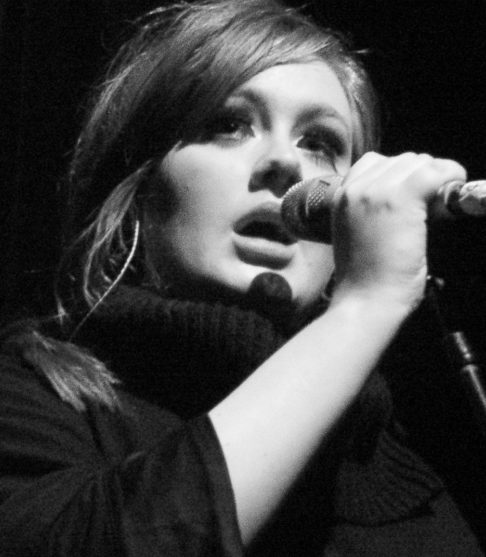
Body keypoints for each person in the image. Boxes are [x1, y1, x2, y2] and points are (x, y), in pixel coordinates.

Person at [0, 0, 484, 555]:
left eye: (320, 143)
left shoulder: (408, 446)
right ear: (138, 187)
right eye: (229, 125)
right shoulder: (31, 397)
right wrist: (364, 308)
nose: (286, 164)